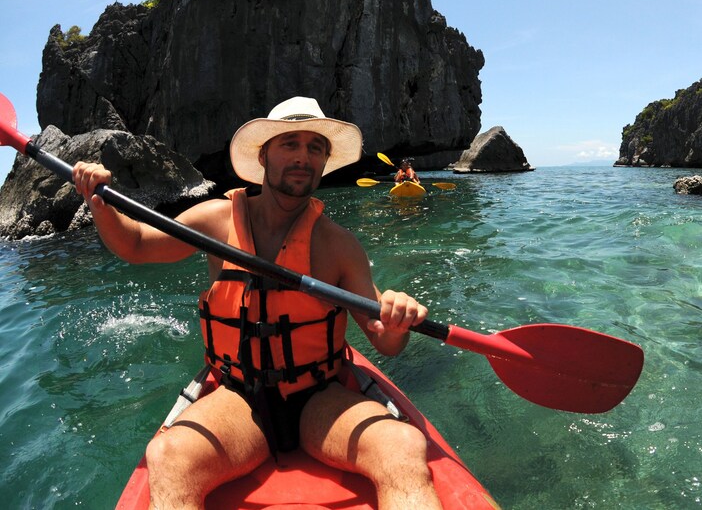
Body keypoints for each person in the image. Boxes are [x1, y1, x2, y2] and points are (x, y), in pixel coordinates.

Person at [71, 96, 442, 510]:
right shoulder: (215, 220)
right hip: (237, 399)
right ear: (264, 155)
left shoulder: (339, 245)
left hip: (320, 400)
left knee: (403, 447)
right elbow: (137, 243)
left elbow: (385, 342)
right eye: (290, 144)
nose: (303, 157)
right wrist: (100, 202)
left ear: (323, 162)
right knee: (168, 457)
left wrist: (395, 322)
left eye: (315, 148)